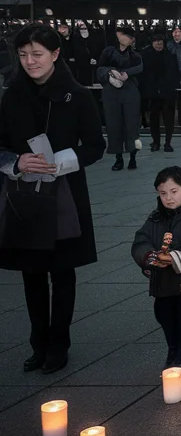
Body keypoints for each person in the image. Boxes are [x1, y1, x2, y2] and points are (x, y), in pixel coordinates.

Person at [0, 23, 106, 374]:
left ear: (56, 55)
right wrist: (15, 162)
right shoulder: (12, 95)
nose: (30, 62)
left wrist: (59, 163)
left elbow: (95, 146)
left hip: (64, 192)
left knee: (62, 272)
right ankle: (38, 342)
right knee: (31, 274)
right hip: (23, 193)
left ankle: (59, 343)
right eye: (24, 55)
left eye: (37, 54)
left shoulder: (77, 95)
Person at [131, 166, 181, 368]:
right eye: (163, 193)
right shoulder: (156, 217)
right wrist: (150, 257)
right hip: (163, 280)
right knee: (164, 313)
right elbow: (141, 240)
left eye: (174, 192)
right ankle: (173, 348)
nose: (168, 198)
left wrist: (174, 258)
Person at [97, 25, 143, 171]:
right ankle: (118, 158)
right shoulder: (108, 51)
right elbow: (100, 68)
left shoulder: (135, 54)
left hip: (130, 90)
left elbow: (140, 68)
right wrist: (111, 73)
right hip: (111, 90)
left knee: (131, 124)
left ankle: (133, 157)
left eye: (131, 38)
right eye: (128, 36)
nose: (130, 40)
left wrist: (126, 74)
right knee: (113, 124)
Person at [140, 32, 181, 153]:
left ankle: (168, 142)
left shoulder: (170, 56)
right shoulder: (145, 56)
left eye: (160, 42)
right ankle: (156, 142)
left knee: (169, 119)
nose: (158, 44)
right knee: (154, 119)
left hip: (168, 92)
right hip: (153, 93)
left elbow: (174, 74)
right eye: (156, 42)